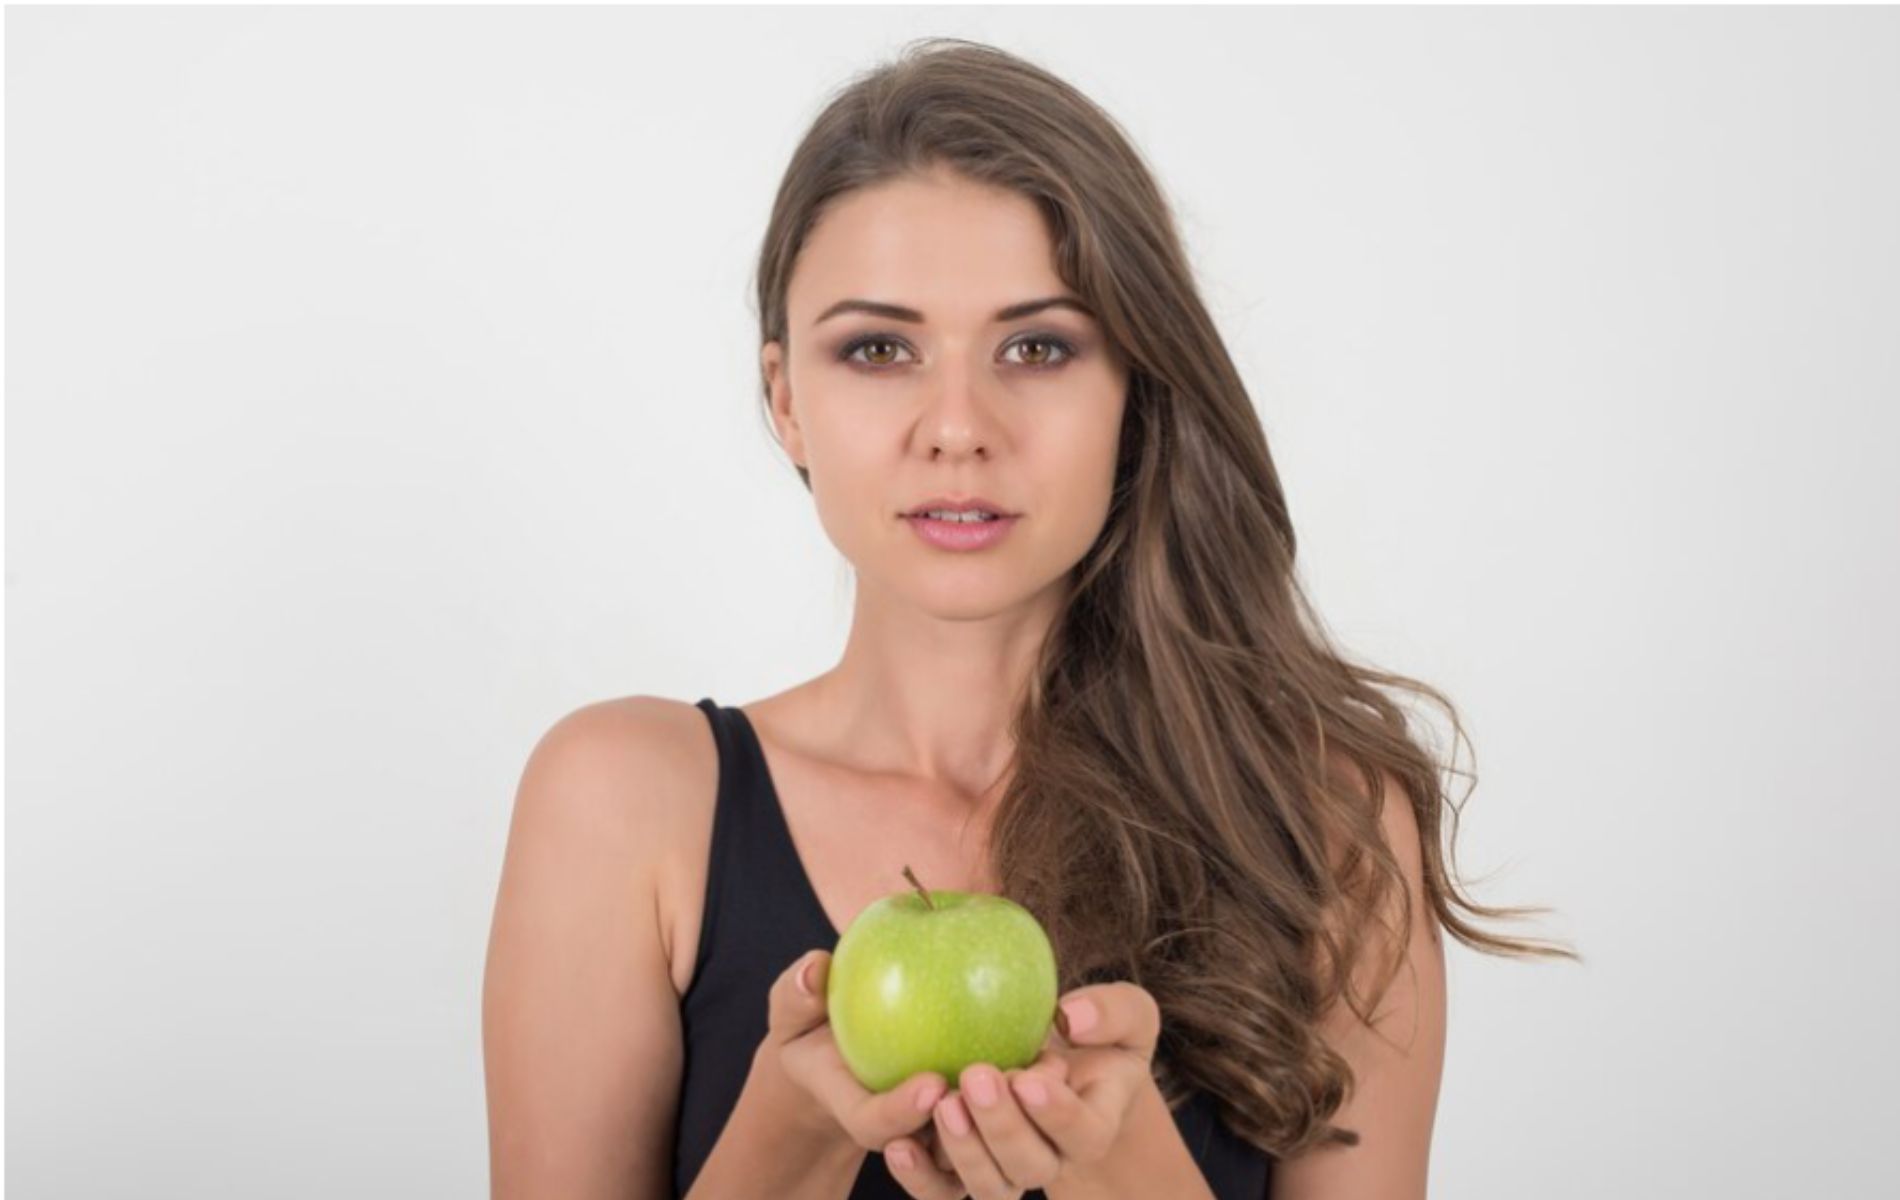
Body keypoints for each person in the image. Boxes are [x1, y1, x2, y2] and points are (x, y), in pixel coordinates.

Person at [484, 36, 1579, 1200]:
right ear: (786, 401)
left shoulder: (1324, 823)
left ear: (1135, 392)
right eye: (879, 349)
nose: (959, 425)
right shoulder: (620, 801)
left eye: (1037, 346)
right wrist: (785, 1138)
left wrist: (1130, 1176)